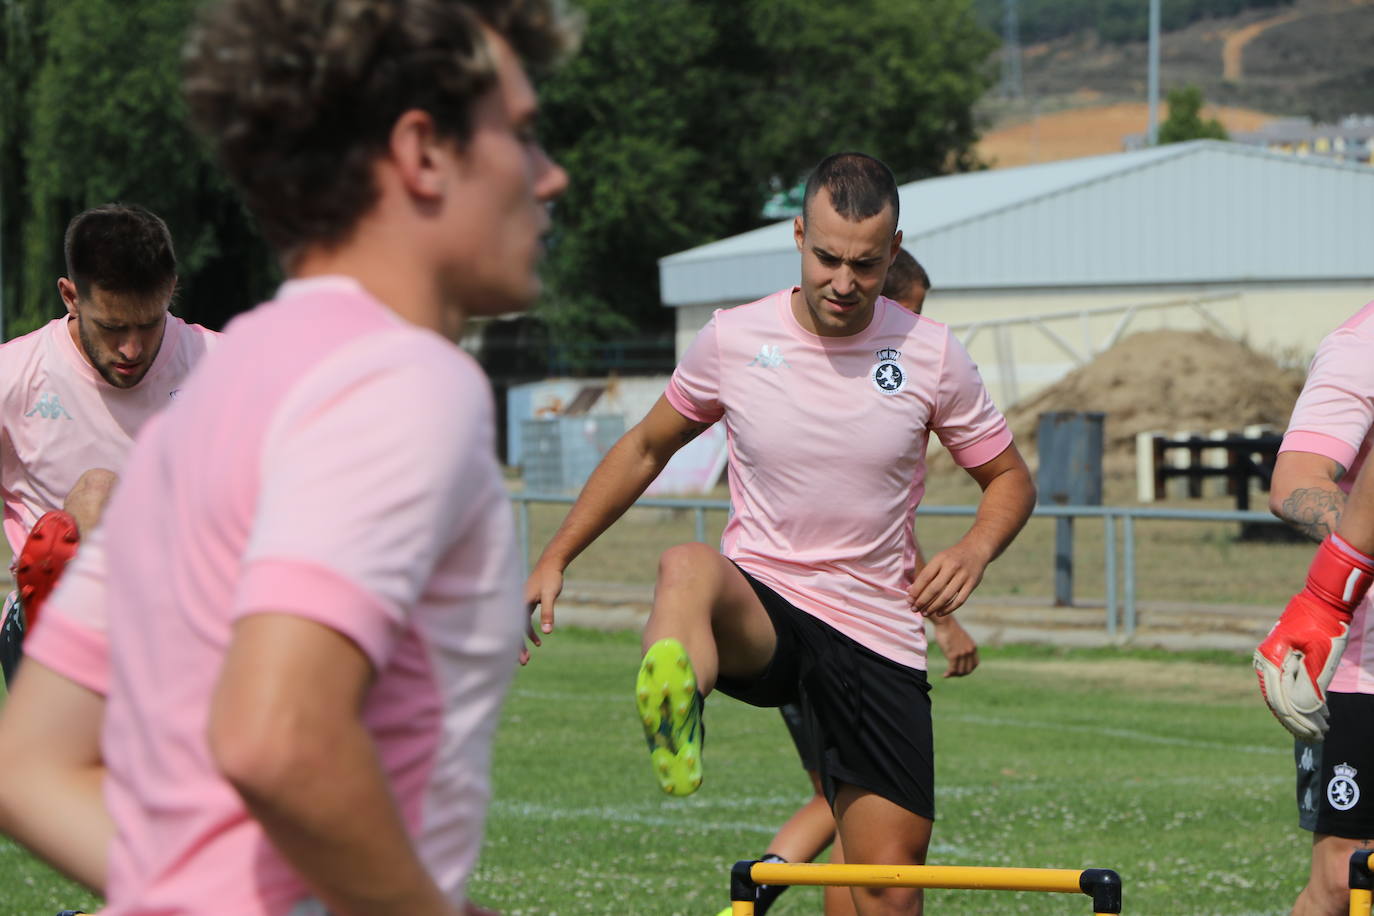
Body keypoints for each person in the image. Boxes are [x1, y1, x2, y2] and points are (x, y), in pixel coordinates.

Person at [0, 1, 573, 913]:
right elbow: (277, 739)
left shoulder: (230, 382)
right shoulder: (401, 381)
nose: (550, 177)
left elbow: (29, 767)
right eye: (524, 134)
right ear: (424, 152)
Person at [526, 152, 1035, 916]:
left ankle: (686, 694)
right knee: (686, 565)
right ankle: (677, 703)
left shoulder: (930, 352)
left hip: (874, 633)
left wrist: (972, 549)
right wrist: (557, 554)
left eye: (865, 264)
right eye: (826, 257)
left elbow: (1010, 479)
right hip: (767, 607)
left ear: (893, 253)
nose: (843, 280)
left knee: (884, 889)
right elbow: (644, 447)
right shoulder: (734, 339)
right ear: (798, 236)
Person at [721, 247, 979, 916]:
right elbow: (875, 537)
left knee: (849, 808)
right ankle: (764, 883)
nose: (914, 326)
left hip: (797, 630)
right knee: (842, 802)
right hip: (828, 636)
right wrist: (943, 621)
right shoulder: (830, 375)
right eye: (911, 310)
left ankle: (763, 884)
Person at [0, 203, 217, 683]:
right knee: (98, 493)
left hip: (183, 627)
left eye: (149, 323)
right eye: (113, 328)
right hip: (50, 642)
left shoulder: (226, 369)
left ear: (171, 291)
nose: (132, 350)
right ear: (70, 296)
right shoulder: (14, 378)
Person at [1259, 299, 1374, 916]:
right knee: (1342, 882)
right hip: (1366, 670)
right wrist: (1331, 592)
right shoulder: (1361, 345)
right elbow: (1296, 482)